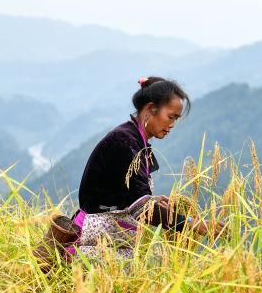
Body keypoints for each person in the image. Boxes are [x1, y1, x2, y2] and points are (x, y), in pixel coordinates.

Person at [72, 77, 221, 259]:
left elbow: (124, 194)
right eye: (170, 117)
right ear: (151, 109)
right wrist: (194, 224)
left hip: (111, 244)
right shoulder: (125, 142)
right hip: (94, 246)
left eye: (176, 119)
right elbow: (143, 209)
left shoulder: (135, 140)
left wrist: (153, 200)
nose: (172, 125)